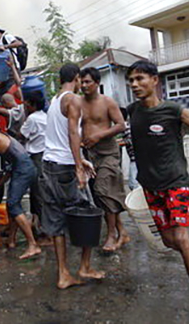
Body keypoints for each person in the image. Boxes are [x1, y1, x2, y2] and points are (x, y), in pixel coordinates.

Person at [126, 60, 189, 324]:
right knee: (170, 242)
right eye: (131, 81)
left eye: (140, 79)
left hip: (176, 182)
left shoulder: (173, 110)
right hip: (150, 185)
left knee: (181, 239)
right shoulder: (131, 112)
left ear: (155, 80)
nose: (135, 85)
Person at [39, 63, 103, 289]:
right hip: (66, 167)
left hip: (49, 165)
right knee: (89, 213)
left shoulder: (55, 101)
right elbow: (72, 134)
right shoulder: (73, 100)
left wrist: (80, 159)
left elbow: (59, 138)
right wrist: (78, 165)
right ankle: (84, 266)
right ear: (76, 78)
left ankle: (63, 273)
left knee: (56, 219)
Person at [79, 67, 130, 252]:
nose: (84, 85)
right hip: (89, 155)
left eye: (87, 82)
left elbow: (121, 125)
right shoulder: (78, 103)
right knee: (101, 197)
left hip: (108, 152)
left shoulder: (107, 102)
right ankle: (122, 231)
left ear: (97, 83)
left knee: (103, 191)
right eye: (82, 82)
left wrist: (99, 136)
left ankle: (111, 235)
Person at [0, 113, 42, 260]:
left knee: (13, 204)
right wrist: (0, 182)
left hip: (23, 170)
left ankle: (33, 245)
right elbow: (13, 161)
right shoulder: (1, 135)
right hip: (27, 168)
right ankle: (11, 240)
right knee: (12, 204)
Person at [20, 92, 48, 242]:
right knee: (40, 191)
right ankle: (37, 223)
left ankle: (44, 228)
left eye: (27, 104)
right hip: (44, 156)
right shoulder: (45, 116)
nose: (25, 106)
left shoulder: (32, 118)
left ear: (32, 105)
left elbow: (22, 135)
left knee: (38, 192)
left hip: (36, 157)